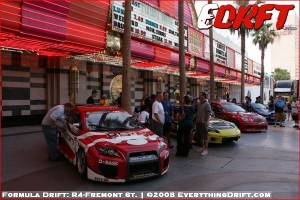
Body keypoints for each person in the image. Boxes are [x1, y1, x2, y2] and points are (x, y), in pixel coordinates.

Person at [194, 92, 211, 156]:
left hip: (203, 122)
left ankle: (206, 149)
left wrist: (206, 121)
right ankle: (203, 147)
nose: (199, 96)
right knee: (200, 136)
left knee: (205, 136)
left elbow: (208, 113)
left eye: (200, 95)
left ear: (204, 96)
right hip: (198, 121)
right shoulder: (198, 103)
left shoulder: (207, 104)